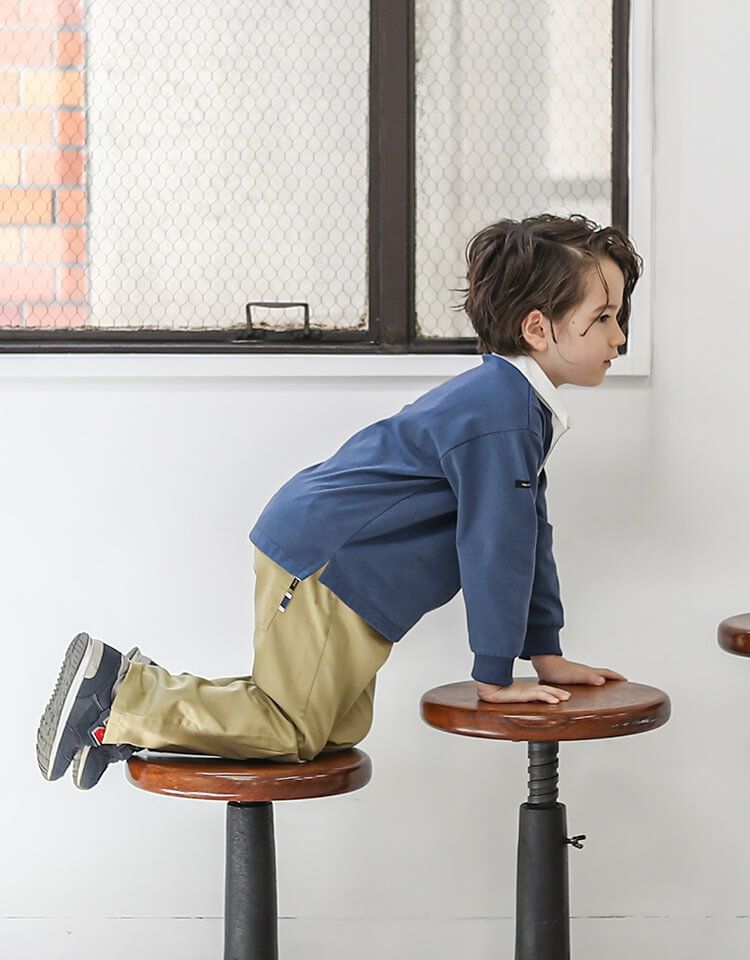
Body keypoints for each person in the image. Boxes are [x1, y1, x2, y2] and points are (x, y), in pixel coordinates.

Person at [36, 212, 643, 791]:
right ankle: (118, 697)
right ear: (538, 329)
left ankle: (121, 714)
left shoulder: (513, 405)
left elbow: (528, 535)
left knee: (335, 728)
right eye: (604, 318)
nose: (619, 336)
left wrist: (546, 653)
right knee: (293, 729)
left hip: (337, 558)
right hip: (329, 558)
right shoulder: (502, 411)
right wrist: (495, 674)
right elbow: (496, 548)